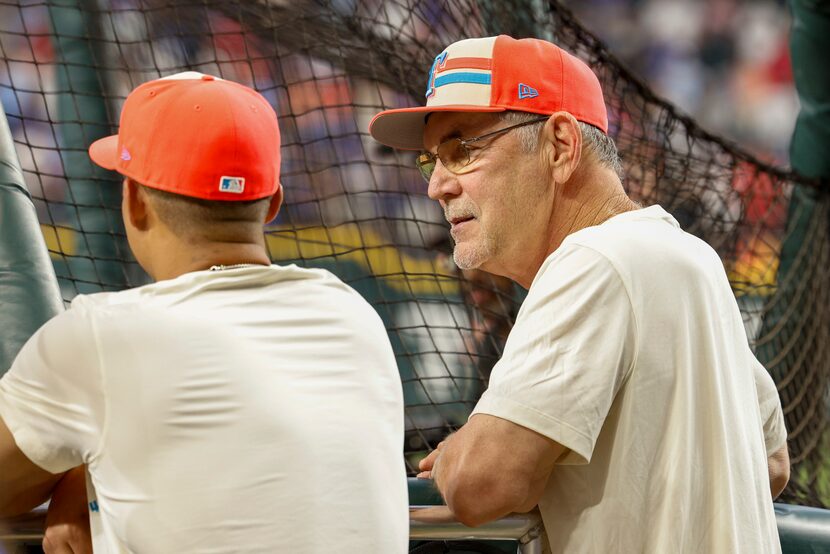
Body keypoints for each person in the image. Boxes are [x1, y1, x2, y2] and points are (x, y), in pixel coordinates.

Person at [369, 35, 789, 553]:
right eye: (433, 161)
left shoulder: (593, 259)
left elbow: (484, 485)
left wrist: (460, 452)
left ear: (561, 145)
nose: (438, 187)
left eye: (462, 150)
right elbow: (771, 466)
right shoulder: (690, 255)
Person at [0, 72, 408, 553]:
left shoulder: (100, 335)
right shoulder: (353, 315)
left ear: (133, 201)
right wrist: (89, 464)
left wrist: (78, 469)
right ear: (273, 203)